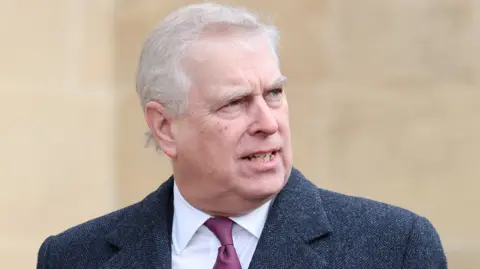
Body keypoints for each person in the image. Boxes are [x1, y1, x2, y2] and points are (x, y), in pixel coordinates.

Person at [36, 3, 447, 269]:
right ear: (165, 127)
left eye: (274, 93)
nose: (268, 122)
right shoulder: (73, 257)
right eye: (234, 103)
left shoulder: (395, 247)